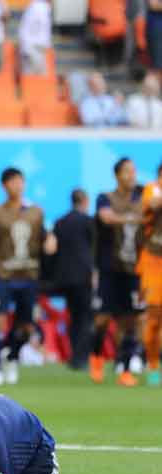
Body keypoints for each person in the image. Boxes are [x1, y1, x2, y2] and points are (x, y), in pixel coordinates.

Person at [0, 168, 57, 386]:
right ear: (4, 186)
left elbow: (46, 236)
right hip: (3, 275)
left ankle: (11, 357)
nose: (17, 185)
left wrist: (50, 242)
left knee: (26, 327)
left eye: (20, 181)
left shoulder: (36, 212)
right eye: (12, 182)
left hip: (29, 275)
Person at [90, 158, 144, 386]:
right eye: (127, 171)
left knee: (129, 320)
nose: (132, 175)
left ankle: (123, 368)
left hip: (133, 268)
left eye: (134, 171)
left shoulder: (143, 198)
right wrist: (133, 218)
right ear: (117, 175)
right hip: (109, 268)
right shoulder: (105, 198)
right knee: (102, 319)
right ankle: (96, 357)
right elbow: (106, 217)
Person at [52, 188, 94, 371]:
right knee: (85, 318)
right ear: (84, 201)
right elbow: (93, 249)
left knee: (73, 317)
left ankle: (73, 356)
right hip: (84, 276)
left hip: (65, 277)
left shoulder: (60, 222)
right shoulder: (87, 221)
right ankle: (81, 357)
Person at [139, 162, 162, 384]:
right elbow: (152, 204)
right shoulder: (153, 189)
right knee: (154, 316)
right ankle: (153, 365)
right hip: (155, 262)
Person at [18, 0, 52, 74]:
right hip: (32, 48)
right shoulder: (36, 7)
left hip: (40, 48)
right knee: (31, 78)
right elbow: (24, 28)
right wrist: (26, 48)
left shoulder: (45, 7)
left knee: (40, 78)